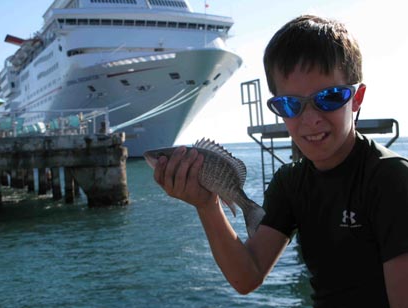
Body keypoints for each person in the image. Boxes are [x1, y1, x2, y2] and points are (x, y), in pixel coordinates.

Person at [153, 15, 408, 307]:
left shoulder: (391, 179)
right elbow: (247, 277)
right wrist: (207, 204)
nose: (311, 118)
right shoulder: (291, 182)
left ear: (357, 97)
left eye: (330, 98)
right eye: (291, 104)